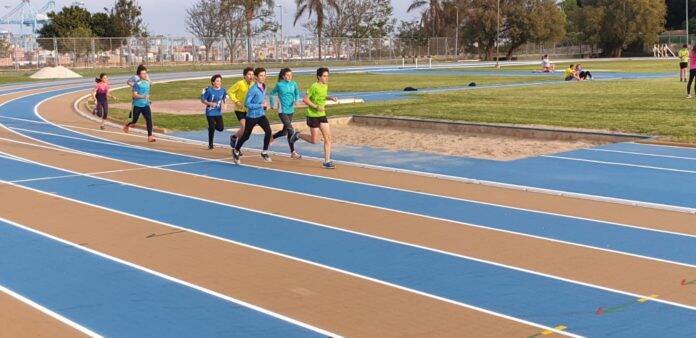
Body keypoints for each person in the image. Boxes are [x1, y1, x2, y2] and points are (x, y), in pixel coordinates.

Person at [289, 67, 338, 169]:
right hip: (313, 115)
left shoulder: (325, 86)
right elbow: (305, 99)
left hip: (322, 115)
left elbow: (322, 96)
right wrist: (316, 107)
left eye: (327, 76)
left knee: (328, 138)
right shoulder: (313, 86)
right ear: (319, 77)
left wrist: (330, 98)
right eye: (324, 76)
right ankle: (298, 135)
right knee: (314, 140)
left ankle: (327, 161)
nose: (326, 78)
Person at [232, 67, 273, 164]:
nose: (263, 77)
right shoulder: (253, 89)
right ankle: (236, 150)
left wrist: (264, 104)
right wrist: (260, 105)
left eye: (264, 75)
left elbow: (261, 99)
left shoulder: (264, 86)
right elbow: (247, 104)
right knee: (246, 136)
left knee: (268, 132)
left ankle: (264, 152)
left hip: (261, 115)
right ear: (256, 77)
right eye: (261, 76)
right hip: (252, 116)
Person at [269, 67, 302, 159]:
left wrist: (296, 100)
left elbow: (297, 93)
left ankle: (272, 136)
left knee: (284, 132)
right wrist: (272, 104)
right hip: (282, 111)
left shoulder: (294, 84)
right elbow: (271, 93)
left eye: (291, 75)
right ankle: (293, 152)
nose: (289, 77)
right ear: (283, 76)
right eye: (287, 75)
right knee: (290, 130)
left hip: (290, 110)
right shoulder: (279, 85)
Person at [123, 66, 156, 142]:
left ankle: (150, 136)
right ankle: (127, 125)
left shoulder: (147, 82)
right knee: (134, 121)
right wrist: (143, 96)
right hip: (137, 105)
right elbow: (134, 95)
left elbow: (150, 85)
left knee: (149, 120)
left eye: (145, 73)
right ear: (139, 75)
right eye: (143, 73)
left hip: (146, 104)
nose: (144, 75)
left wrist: (148, 99)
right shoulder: (137, 84)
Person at [228, 67, 254, 156]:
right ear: (244, 76)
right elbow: (230, 92)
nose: (251, 76)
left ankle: (234, 138)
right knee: (244, 127)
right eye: (249, 74)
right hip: (239, 109)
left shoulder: (254, 85)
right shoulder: (240, 83)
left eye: (252, 74)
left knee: (246, 130)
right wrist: (236, 101)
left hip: (249, 110)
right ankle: (237, 147)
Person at [200, 74, 228, 149]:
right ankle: (210, 144)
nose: (219, 83)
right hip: (210, 112)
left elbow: (225, 97)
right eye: (217, 81)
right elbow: (203, 100)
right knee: (212, 128)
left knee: (221, 128)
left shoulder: (223, 90)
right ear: (213, 82)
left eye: (220, 81)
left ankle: (211, 127)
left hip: (218, 112)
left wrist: (225, 104)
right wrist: (210, 103)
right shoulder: (209, 90)